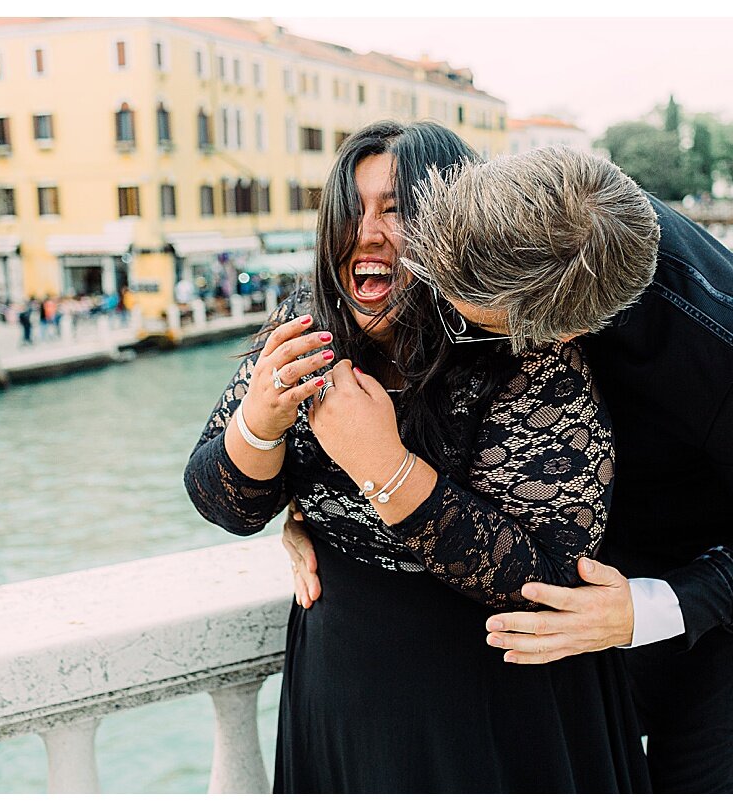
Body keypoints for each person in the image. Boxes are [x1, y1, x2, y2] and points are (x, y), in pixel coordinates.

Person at [185, 122, 658, 792]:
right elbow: (224, 503)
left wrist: (386, 470)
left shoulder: (521, 342)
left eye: (396, 209)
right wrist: (259, 422)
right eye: (352, 206)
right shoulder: (308, 317)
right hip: (344, 682)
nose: (365, 232)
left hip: (493, 695)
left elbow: (552, 571)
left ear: (454, 226)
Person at [368, 144, 733, 792]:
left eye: (470, 324)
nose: (441, 320)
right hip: (539, 582)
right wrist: (328, 500)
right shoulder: (499, 217)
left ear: (561, 336)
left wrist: (638, 612)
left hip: (697, 597)